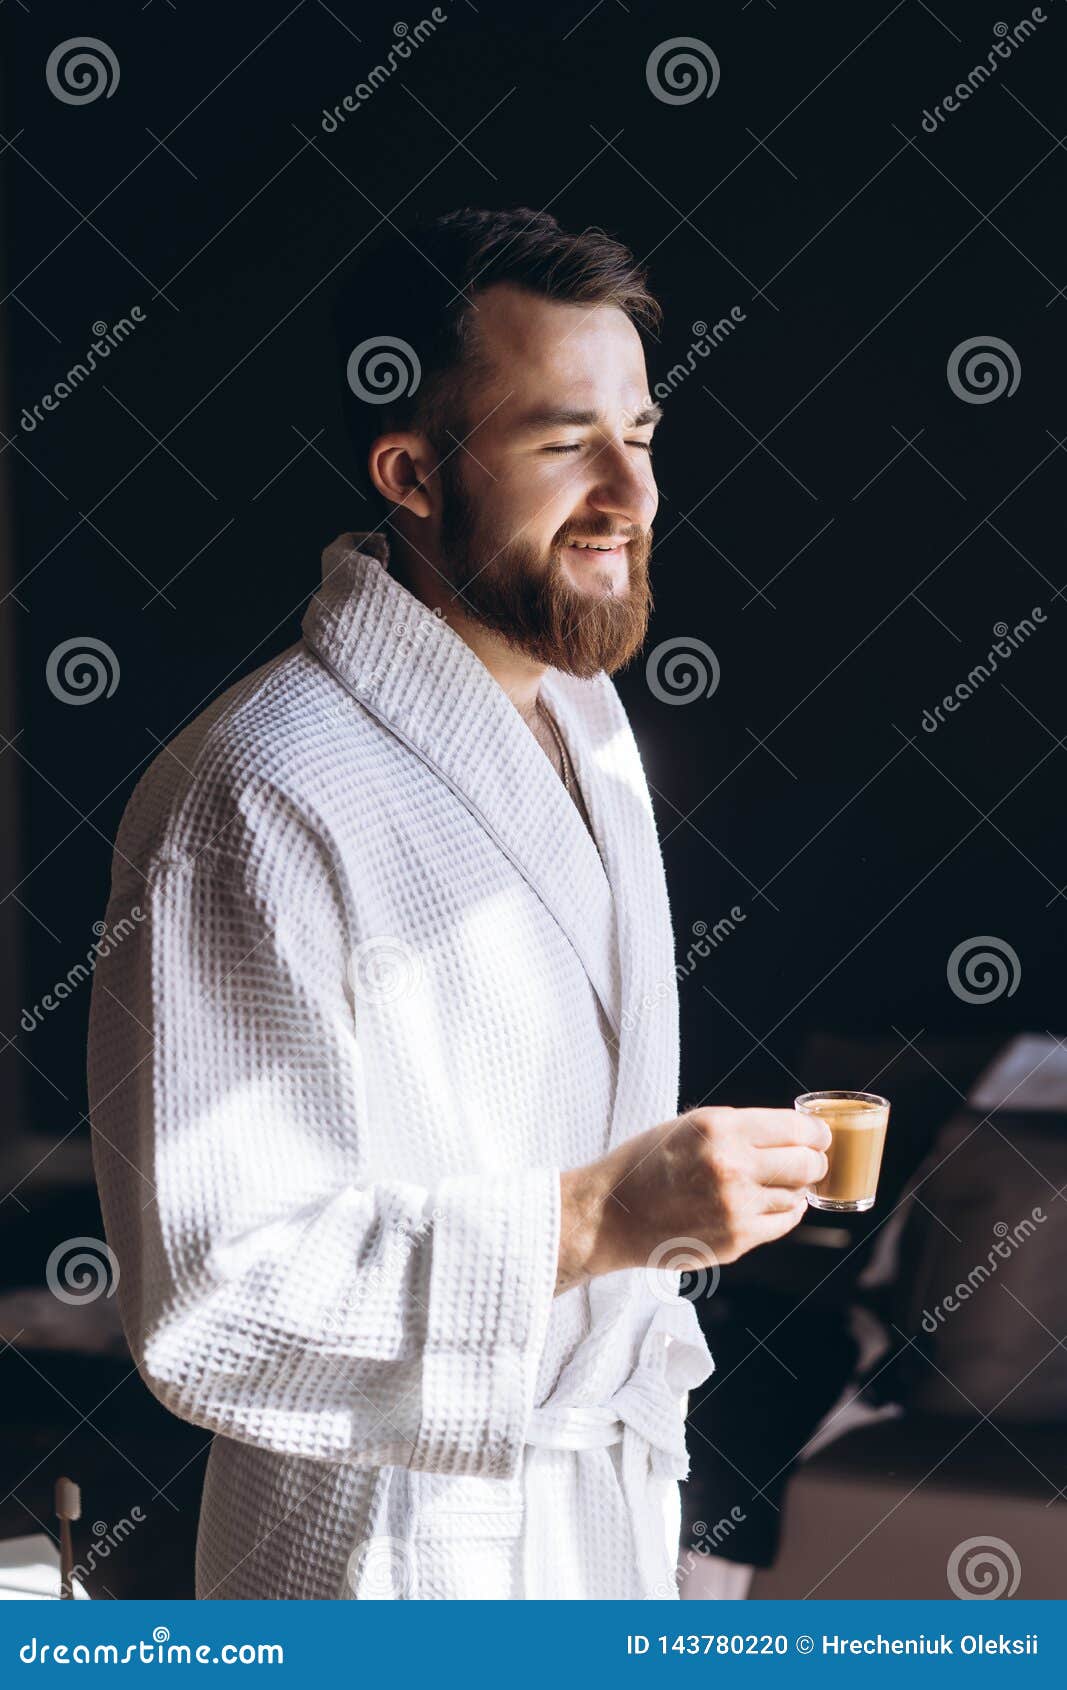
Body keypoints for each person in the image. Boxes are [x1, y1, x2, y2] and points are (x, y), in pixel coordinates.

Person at [86, 207, 830, 1601]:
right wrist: (603, 1215)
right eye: (565, 441)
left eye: (643, 436)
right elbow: (209, 1297)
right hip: (392, 1567)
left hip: (590, 1531)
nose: (631, 491)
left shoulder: (593, 730)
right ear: (413, 473)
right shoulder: (257, 788)